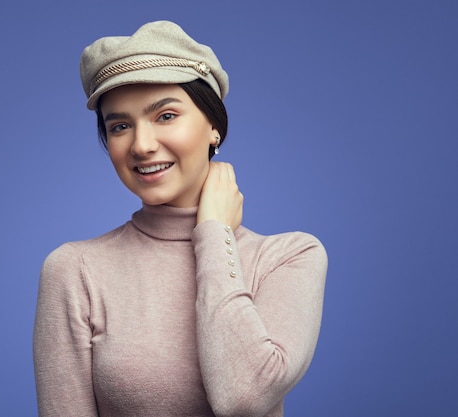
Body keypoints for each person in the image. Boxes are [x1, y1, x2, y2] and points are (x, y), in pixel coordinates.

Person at [33, 20, 327, 417]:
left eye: (166, 116)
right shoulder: (75, 269)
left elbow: (243, 398)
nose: (141, 144)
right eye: (119, 126)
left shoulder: (288, 257)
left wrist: (213, 234)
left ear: (213, 127)